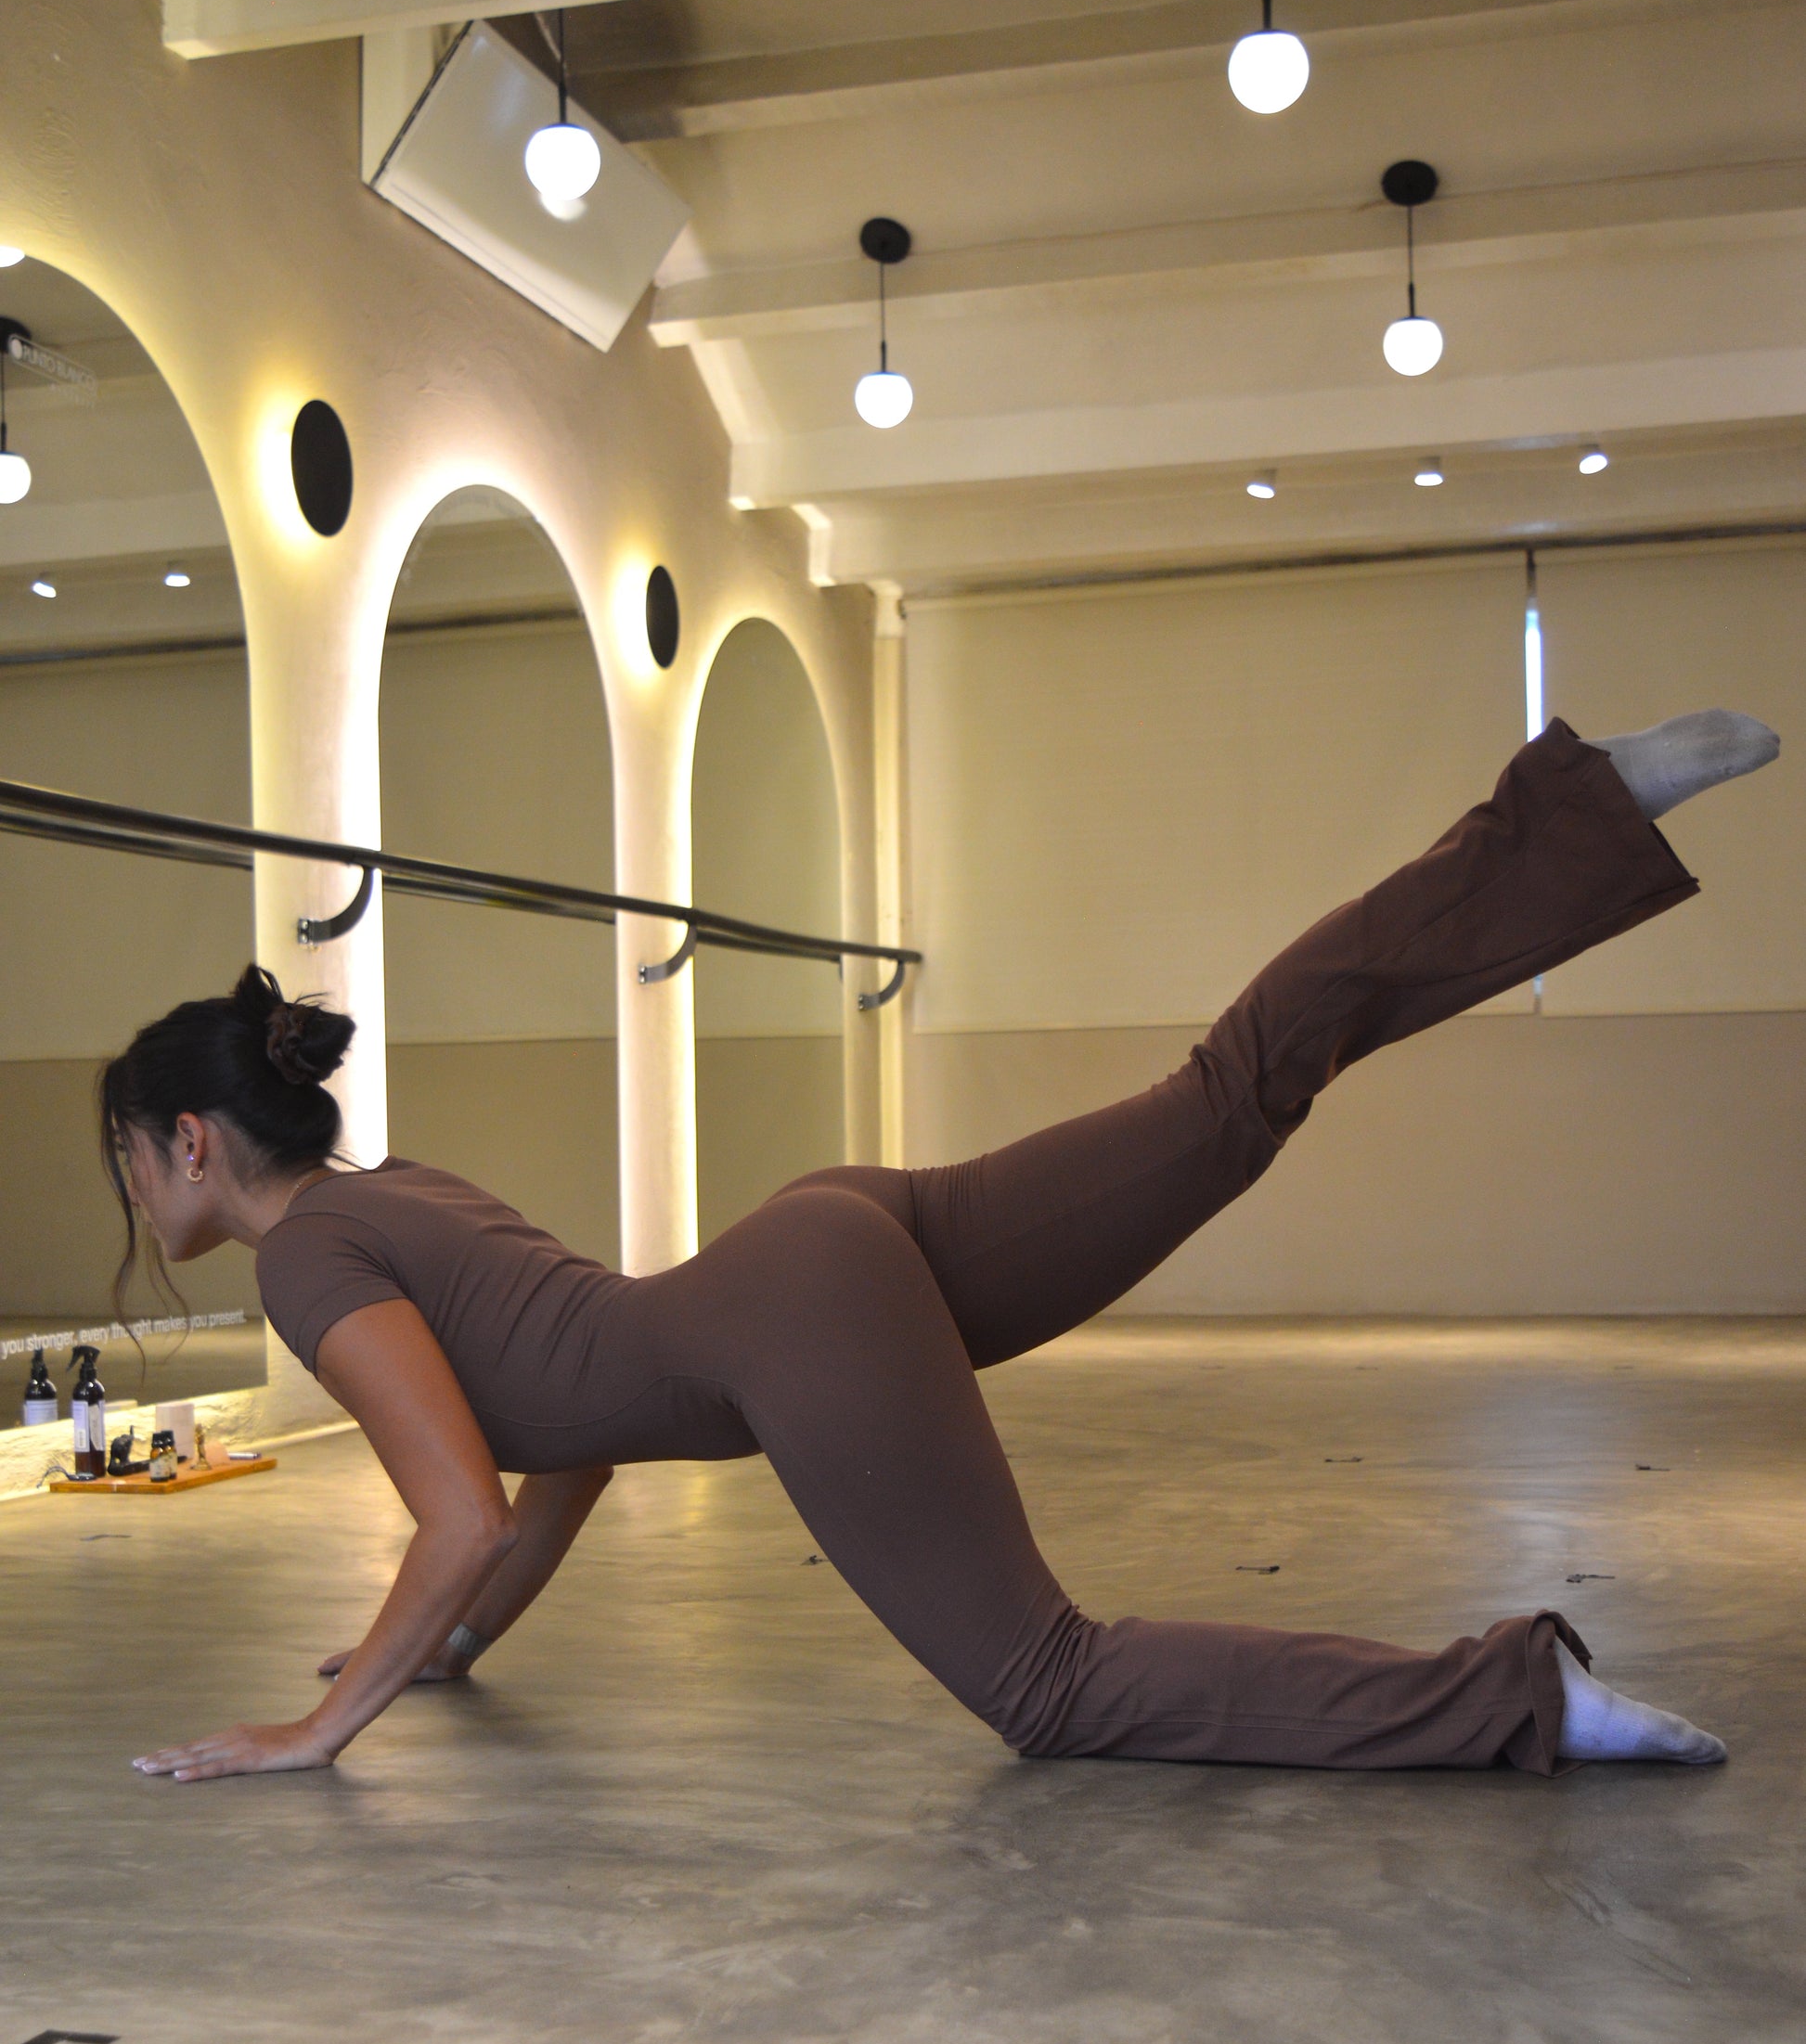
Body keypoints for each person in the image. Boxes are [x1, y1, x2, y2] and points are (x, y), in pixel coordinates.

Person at [115, 709, 1778, 1788]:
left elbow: (461, 1512)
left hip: (798, 1316)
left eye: (125, 1156)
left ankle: (1515, 1702)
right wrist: (456, 1646)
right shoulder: (392, 1190)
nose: (132, 1193)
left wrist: (322, 1729)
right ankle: (1569, 820)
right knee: (1225, 1097)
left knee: (1048, 1685)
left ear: (192, 1140)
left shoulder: (304, 1261)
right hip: (833, 1235)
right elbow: (565, 1454)